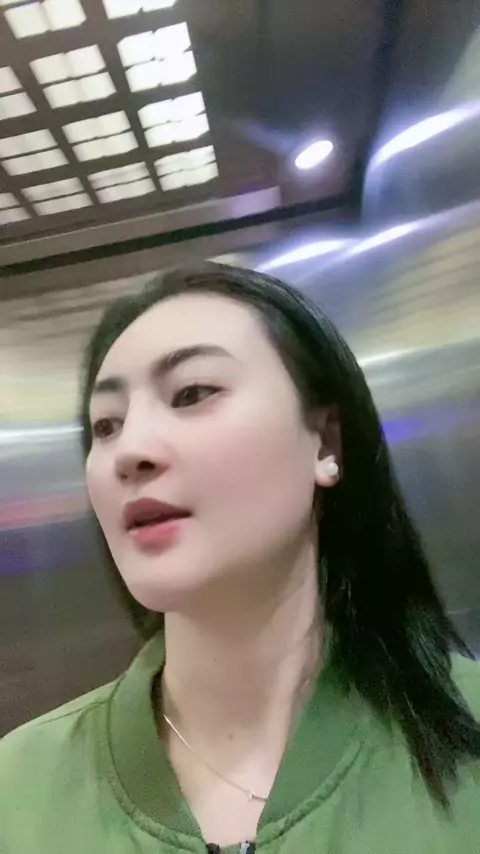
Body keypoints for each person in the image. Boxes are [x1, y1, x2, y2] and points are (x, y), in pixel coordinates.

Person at [1, 263, 479, 854]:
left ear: (325, 442)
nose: (130, 450)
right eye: (106, 425)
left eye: (193, 393)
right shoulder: (17, 790)